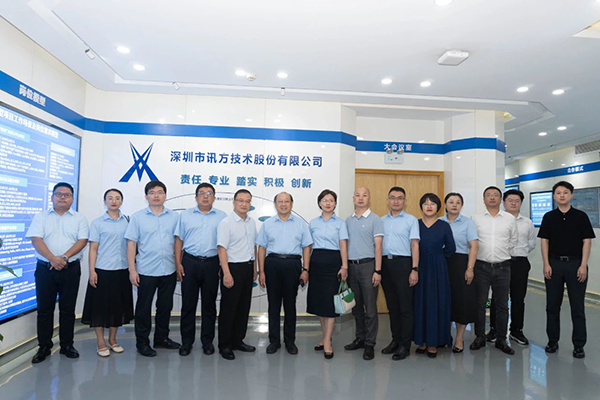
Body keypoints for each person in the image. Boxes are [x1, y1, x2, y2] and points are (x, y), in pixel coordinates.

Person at [26, 182, 89, 364]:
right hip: (45, 269)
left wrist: (63, 258)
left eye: (66, 195)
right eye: (59, 194)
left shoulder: (79, 218)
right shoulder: (41, 217)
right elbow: (36, 239)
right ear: (52, 197)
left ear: (72, 199)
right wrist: (52, 258)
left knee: (68, 309)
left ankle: (67, 345)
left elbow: (82, 241)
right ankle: (44, 346)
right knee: (44, 309)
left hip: (70, 269)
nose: (62, 197)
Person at [539, 181, 595, 359]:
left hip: (575, 265)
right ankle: (552, 341)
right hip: (554, 265)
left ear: (571, 195)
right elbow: (544, 241)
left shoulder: (581, 216)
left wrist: (583, 265)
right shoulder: (549, 217)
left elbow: (587, 241)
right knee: (552, 306)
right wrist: (546, 264)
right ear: (554, 196)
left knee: (577, 307)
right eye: (558, 192)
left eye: (565, 192)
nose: (562, 195)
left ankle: (579, 345)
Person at [125, 180, 180, 357]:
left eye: (160, 192)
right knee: (143, 308)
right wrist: (132, 269)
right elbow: (131, 244)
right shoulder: (137, 217)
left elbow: (178, 242)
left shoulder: (174, 217)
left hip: (168, 269)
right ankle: (142, 342)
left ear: (165, 195)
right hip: (146, 270)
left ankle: (161, 338)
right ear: (146, 196)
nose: (156, 195)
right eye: (152, 192)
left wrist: (178, 264)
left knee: (165, 306)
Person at [257, 192, 312, 355]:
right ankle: (274, 341)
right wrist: (261, 271)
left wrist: (305, 270)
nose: (283, 204)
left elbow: (306, 247)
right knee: (273, 305)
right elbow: (261, 248)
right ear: (275, 204)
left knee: (290, 305)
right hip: (272, 263)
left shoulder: (300, 224)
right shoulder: (267, 224)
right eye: (280, 201)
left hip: (292, 264)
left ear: (291, 204)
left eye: (286, 201)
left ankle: (290, 341)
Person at [174, 183, 226, 357]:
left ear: (214, 197)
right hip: (189, 262)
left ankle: (207, 342)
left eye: (209, 193)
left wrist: (222, 265)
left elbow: (225, 243)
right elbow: (179, 240)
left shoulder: (222, 217)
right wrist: (178, 263)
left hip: (212, 263)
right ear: (196, 197)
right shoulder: (185, 215)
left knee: (209, 305)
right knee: (188, 304)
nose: (205, 196)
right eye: (202, 193)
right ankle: (186, 342)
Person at [82, 188, 134, 357]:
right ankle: (100, 342)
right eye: (110, 198)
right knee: (99, 308)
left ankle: (112, 340)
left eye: (117, 198)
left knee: (117, 308)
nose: (114, 201)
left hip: (121, 270)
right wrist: (92, 271)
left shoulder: (128, 222)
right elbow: (93, 249)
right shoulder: (98, 223)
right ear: (105, 201)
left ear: (122, 201)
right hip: (102, 270)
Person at [470, 186, 517, 355]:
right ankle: (479, 336)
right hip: (481, 266)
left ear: (500, 199)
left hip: (503, 267)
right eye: (488, 195)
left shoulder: (509, 219)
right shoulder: (475, 218)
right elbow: (471, 242)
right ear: (483, 199)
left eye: (495, 195)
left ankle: (501, 339)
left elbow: (513, 241)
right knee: (480, 304)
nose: (492, 198)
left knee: (502, 305)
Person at [488, 189, 536, 346]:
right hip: (502, 262)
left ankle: (516, 330)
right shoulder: (497, 220)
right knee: (497, 298)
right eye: (510, 200)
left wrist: (518, 253)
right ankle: (494, 329)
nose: (513, 203)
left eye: (517, 201)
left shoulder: (527, 223)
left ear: (521, 203)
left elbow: (531, 243)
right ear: (504, 202)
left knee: (518, 298)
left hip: (520, 263)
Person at [307, 189, 349, 360]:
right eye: (324, 200)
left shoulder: (340, 223)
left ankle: (327, 343)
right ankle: (325, 338)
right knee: (320, 303)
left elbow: (343, 245)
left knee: (330, 304)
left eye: (331, 200)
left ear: (335, 203)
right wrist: (306, 267)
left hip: (333, 262)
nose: (328, 203)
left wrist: (344, 266)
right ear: (319, 203)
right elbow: (308, 246)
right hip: (316, 262)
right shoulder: (312, 223)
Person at [413, 193, 456, 358]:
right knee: (420, 302)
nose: (429, 206)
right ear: (421, 207)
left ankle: (434, 342)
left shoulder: (444, 226)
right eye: (426, 203)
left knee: (436, 303)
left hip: (438, 268)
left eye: (432, 203)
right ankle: (421, 341)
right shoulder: (415, 224)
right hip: (418, 266)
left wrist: (438, 258)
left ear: (438, 207)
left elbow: (451, 248)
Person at [217, 189, 257, 360]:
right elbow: (222, 249)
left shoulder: (251, 222)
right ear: (234, 202)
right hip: (232, 268)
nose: (244, 204)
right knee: (229, 308)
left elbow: (253, 246)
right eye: (241, 200)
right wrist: (226, 273)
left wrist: (254, 268)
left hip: (248, 267)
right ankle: (225, 345)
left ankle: (238, 340)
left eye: (247, 201)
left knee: (243, 307)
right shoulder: (226, 223)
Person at [380, 187, 419, 361]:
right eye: (393, 197)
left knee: (405, 307)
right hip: (385, 265)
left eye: (400, 198)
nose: (396, 201)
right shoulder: (381, 221)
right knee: (392, 306)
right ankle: (395, 340)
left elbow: (415, 245)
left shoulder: (411, 220)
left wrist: (414, 269)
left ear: (405, 201)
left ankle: (405, 344)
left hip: (404, 264)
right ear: (388, 200)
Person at [344, 187, 383, 361]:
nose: (361, 198)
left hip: (368, 266)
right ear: (353, 198)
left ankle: (370, 343)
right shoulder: (348, 220)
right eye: (357, 195)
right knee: (356, 307)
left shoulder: (375, 219)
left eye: (364, 195)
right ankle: (360, 338)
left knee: (371, 309)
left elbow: (379, 246)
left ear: (369, 198)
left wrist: (377, 270)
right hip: (352, 267)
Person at [440, 192, 479, 353]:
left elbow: (474, 246)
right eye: (451, 202)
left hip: (461, 263)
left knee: (461, 301)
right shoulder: (438, 222)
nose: (454, 205)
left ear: (461, 205)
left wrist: (470, 268)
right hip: (441, 263)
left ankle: (459, 338)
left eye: (458, 202)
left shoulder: (468, 223)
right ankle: (444, 335)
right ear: (445, 204)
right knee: (444, 300)